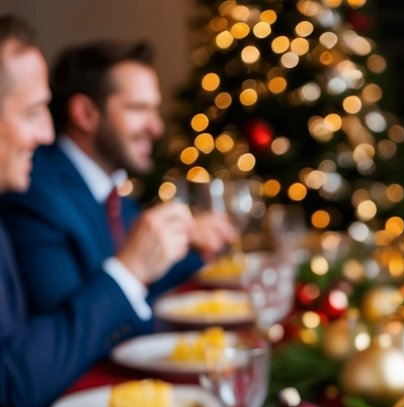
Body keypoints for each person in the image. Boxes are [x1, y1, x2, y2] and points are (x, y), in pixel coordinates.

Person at [0, 16, 193, 407]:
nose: (46, 134)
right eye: (32, 112)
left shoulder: (107, 191)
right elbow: (20, 376)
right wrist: (128, 271)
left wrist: (187, 247)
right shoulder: (32, 195)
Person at [0, 40, 235, 319]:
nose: (156, 127)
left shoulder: (113, 194)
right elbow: (65, 333)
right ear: (85, 113)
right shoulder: (33, 193)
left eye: (154, 109)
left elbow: (138, 289)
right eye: (138, 109)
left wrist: (195, 248)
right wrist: (131, 268)